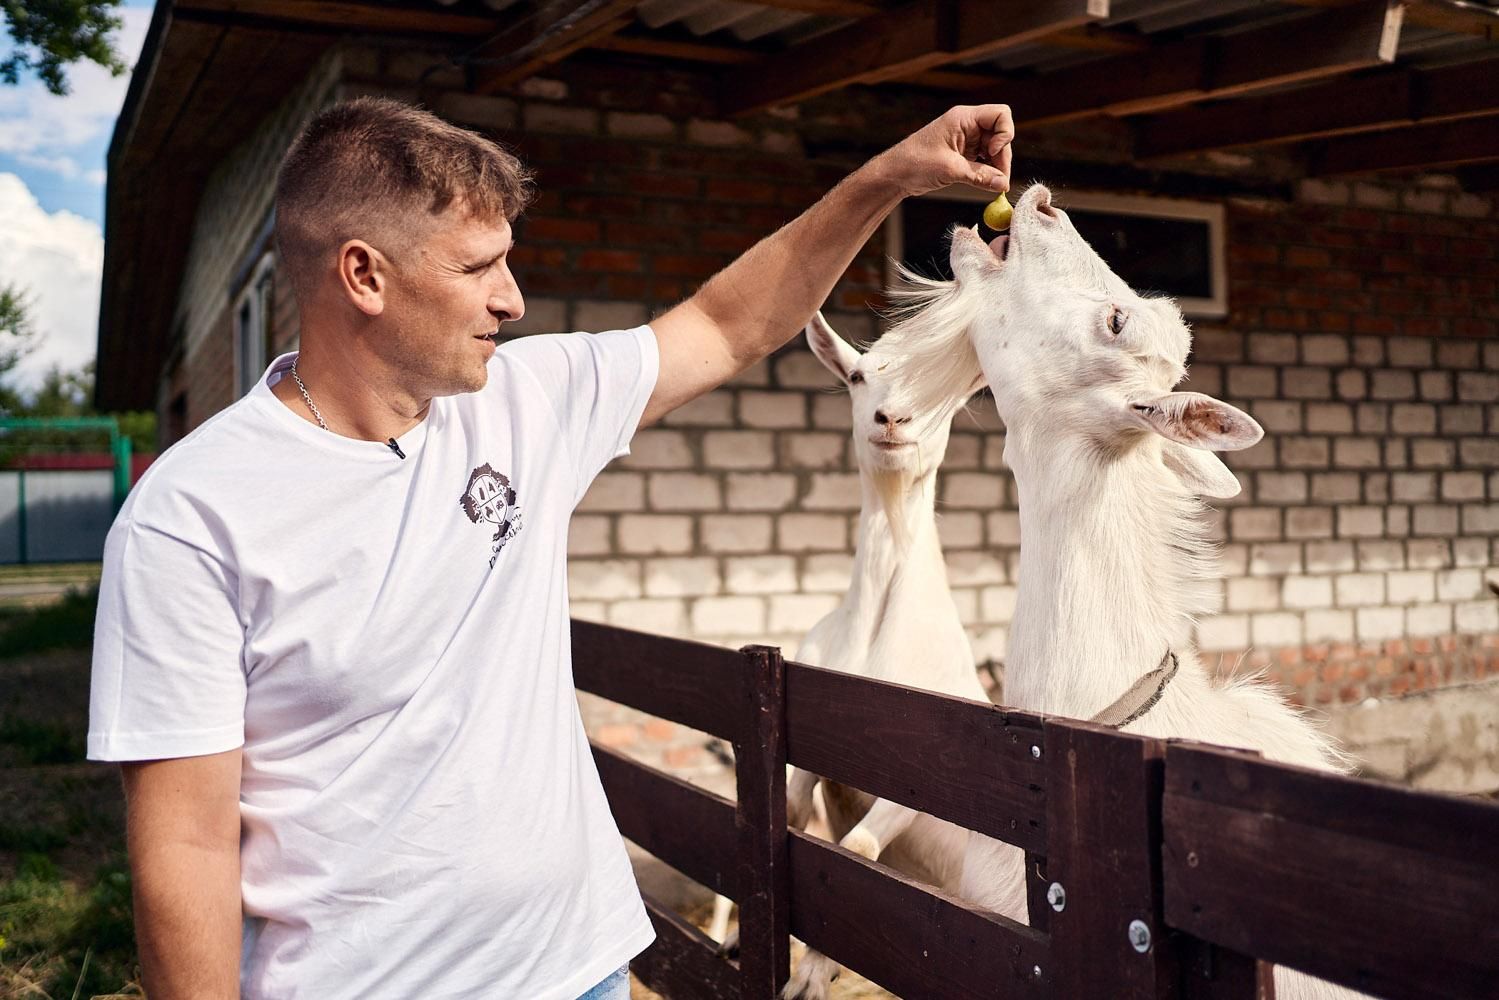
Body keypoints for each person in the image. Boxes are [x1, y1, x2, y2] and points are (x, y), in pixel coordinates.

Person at [87, 95, 1013, 1000]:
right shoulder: (193, 515)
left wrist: (890, 178)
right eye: (477, 268)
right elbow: (186, 846)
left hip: (582, 971)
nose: (513, 299)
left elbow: (733, 324)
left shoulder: (524, 401)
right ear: (364, 276)